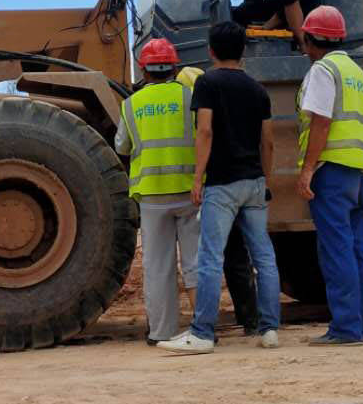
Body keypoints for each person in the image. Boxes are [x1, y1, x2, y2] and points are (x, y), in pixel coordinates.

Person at [159, 21, 282, 354]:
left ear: (211, 51)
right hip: (254, 181)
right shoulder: (258, 90)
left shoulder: (208, 83)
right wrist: (265, 180)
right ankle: (269, 329)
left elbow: (206, 132)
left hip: (222, 184)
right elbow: (267, 140)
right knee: (264, 258)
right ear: (243, 51)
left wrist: (197, 177)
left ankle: (202, 333)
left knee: (210, 258)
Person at [294, 6, 363, 346]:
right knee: (356, 251)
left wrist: (308, 169)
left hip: (332, 172)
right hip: (359, 172)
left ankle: (344, 328)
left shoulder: (323, 70)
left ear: (312, 38)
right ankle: (361, 326)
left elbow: (322, 122)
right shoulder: (357, 72)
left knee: (336, 250)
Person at [117, 38, 201, 346]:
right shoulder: (191, 96)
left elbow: (122, 146)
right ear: (175, 68)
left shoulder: (130, 104)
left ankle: (161, 332)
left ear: (144, 70)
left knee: (157, 266)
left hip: (152, 196)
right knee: (194, 261)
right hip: (189, 190)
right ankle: (204, 327)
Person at [180, 65, 258, 335]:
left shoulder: (200, 113)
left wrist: (197, 180)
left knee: (210, 258)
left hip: (216, 188)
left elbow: (203, 139)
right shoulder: (230, 102)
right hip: (237, 183)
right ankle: (252, 320)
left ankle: (204, 326)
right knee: (239, 255)